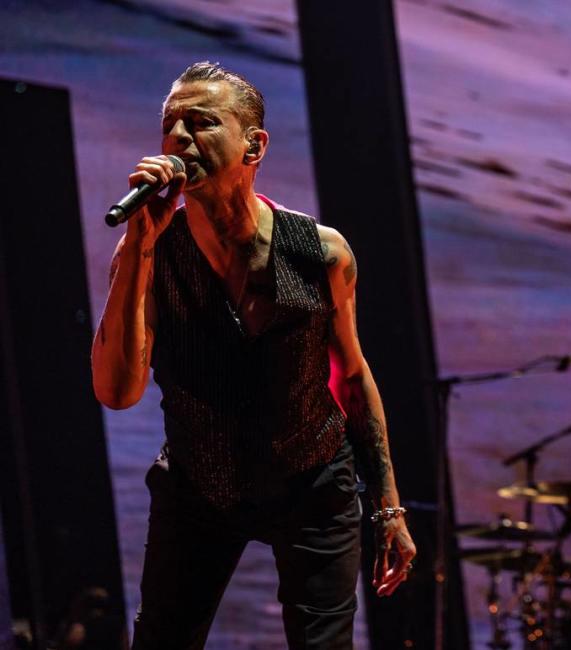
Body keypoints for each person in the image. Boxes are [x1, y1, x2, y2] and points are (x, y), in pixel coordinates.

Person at [91, 61, 415, 649]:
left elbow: (352, 374)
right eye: (171, 125)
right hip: (199, 487)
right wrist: (138, 247)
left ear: (254, 145)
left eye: (202, 123)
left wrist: (388, 508)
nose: (180, 139)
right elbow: (117, 393)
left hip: (312, 481)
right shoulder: (149, 254)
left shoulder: (319, 252)